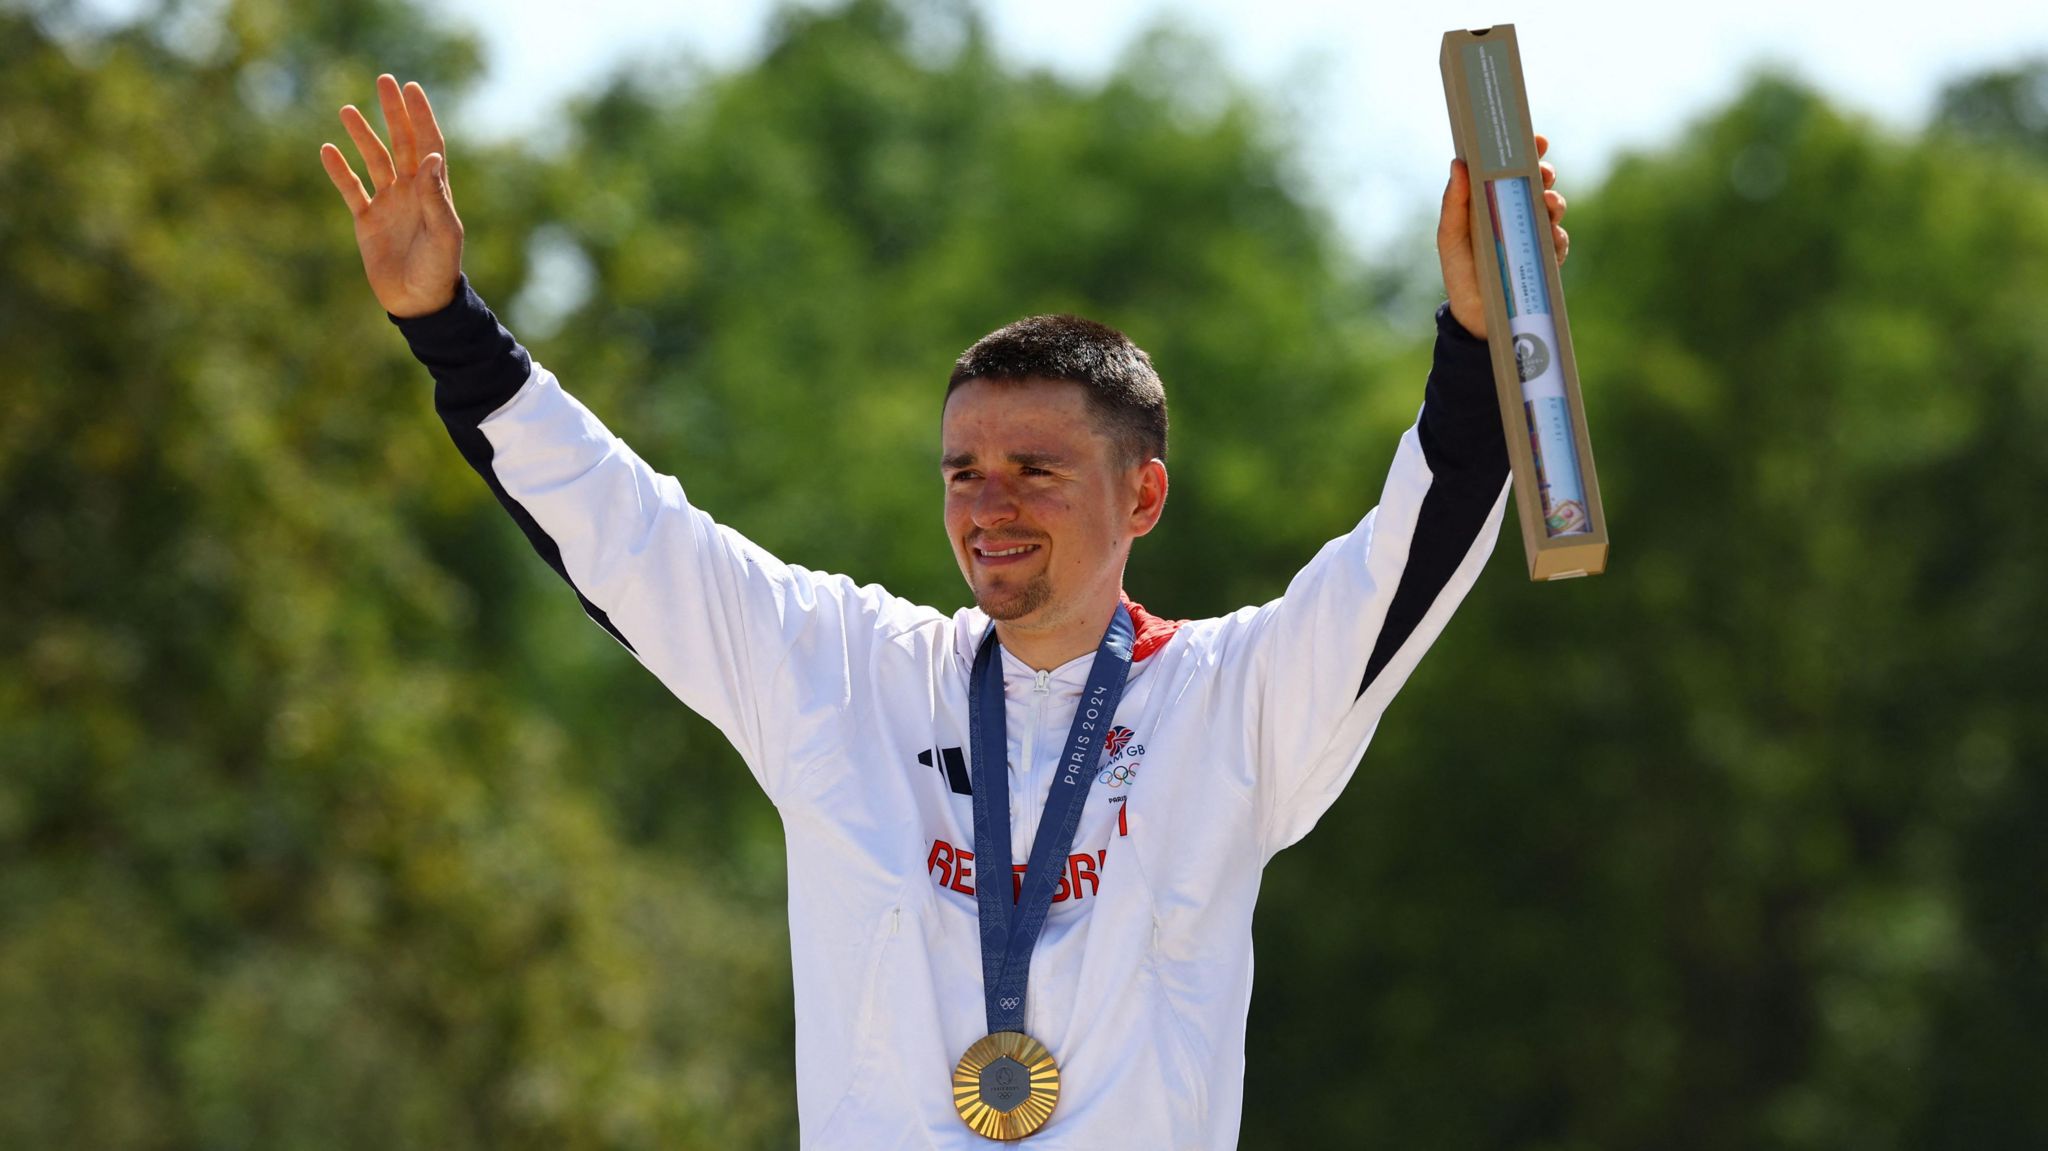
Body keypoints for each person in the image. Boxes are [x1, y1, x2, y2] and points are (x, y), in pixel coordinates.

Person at [321, 72, 1569, 1148]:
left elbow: (1406, 554)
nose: (989, 505)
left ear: (1143, 495)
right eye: (962, 471)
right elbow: (625, 533)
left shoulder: (1229, 701)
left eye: (1036, 469)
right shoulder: (846, 675)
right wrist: (447, 327)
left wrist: (1474, 333)